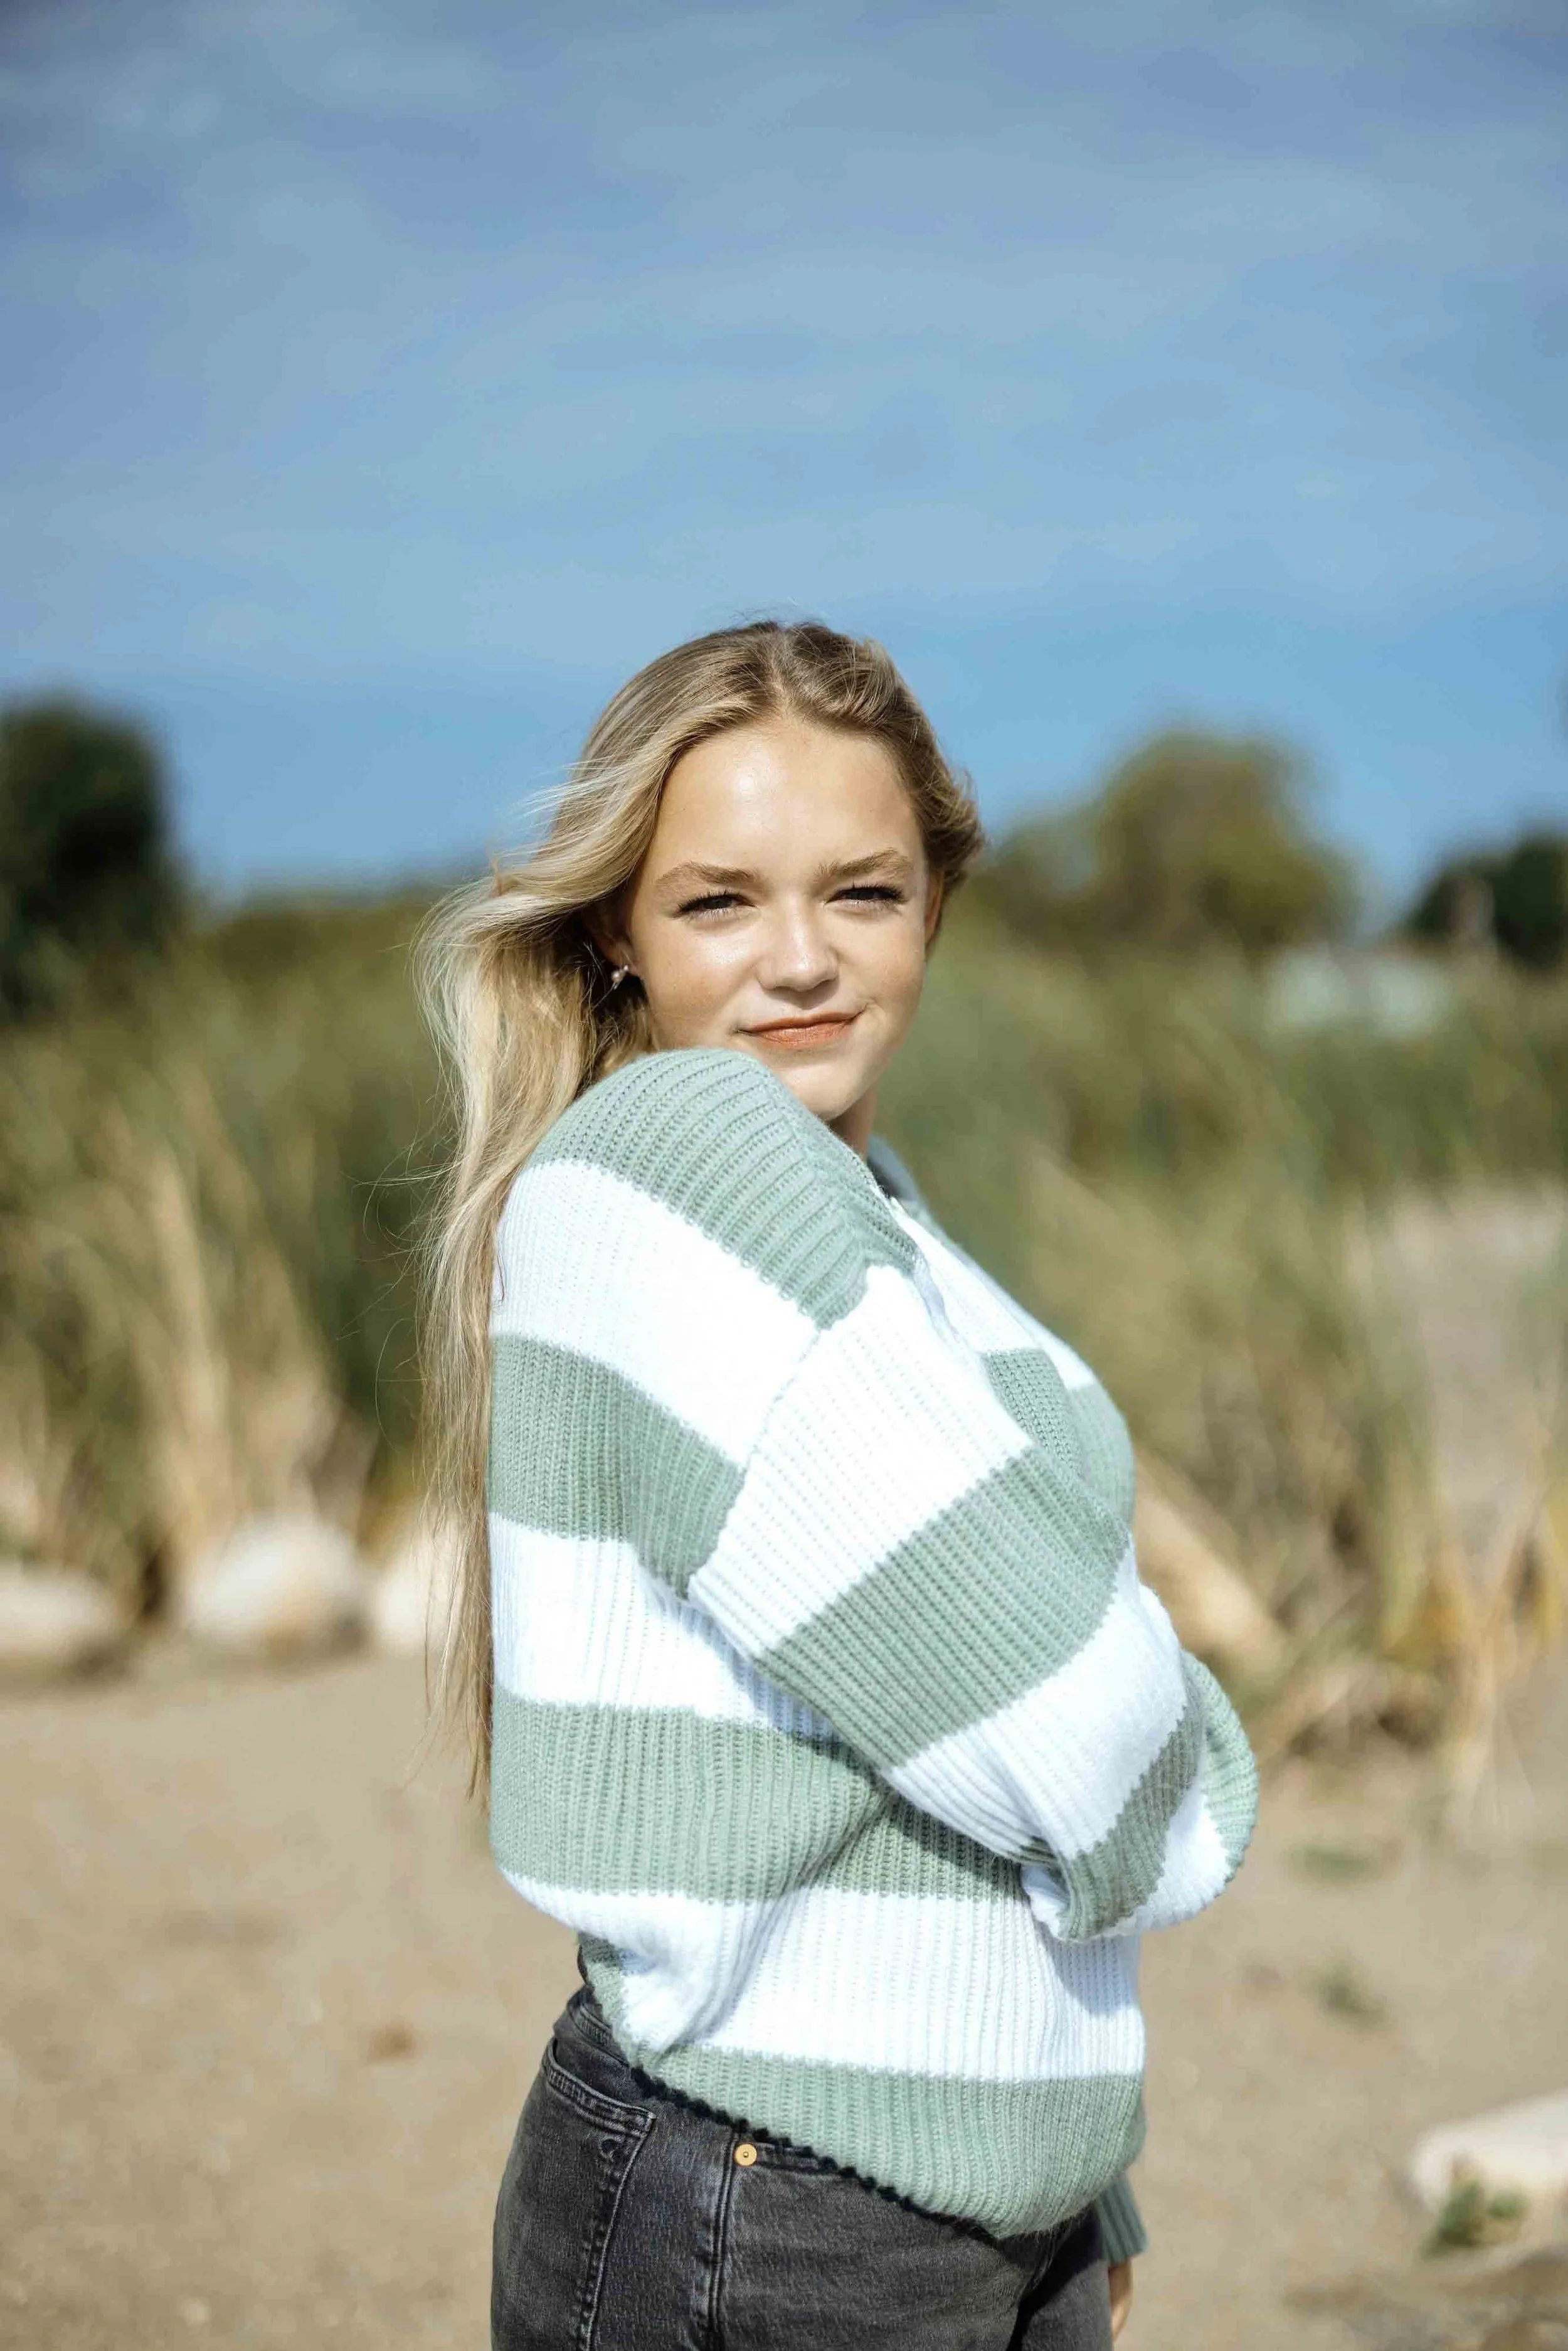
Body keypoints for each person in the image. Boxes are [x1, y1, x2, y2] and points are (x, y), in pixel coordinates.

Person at [416, 618, 1259, 2350]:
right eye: (719, 900)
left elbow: (924, 1744)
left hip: (949, 2181)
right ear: (618, 938)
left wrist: (1076, 2156)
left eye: (860, 894)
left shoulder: (872, 1209)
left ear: (933, 907)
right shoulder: (685, 1159)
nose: (798, 960)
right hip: (788, 2201)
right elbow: (1063, 1713)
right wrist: (1194, 1750)